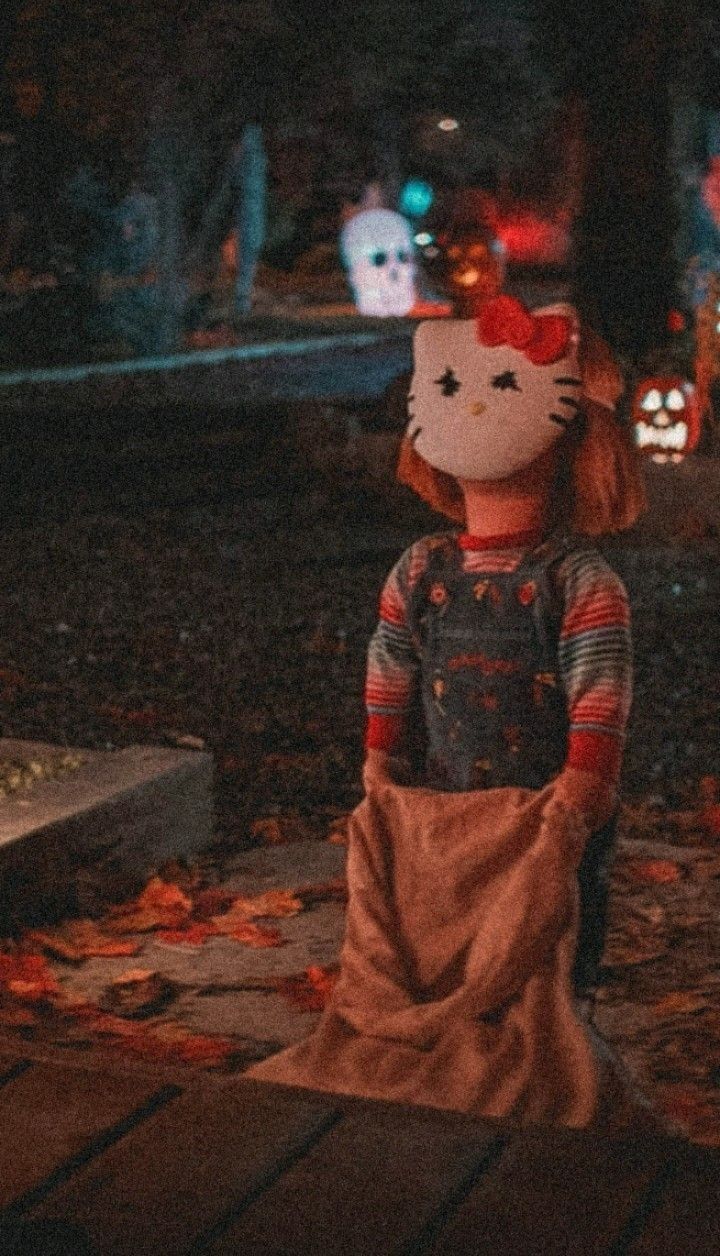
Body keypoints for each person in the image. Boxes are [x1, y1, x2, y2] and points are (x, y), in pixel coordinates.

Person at [363, 293, 647, 994]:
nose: (480, 412)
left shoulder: (579, 581)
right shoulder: (419, 569)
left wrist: (586, 785)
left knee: (551, 953)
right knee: (453, 939)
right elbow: (390, 662)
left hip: (551, 817)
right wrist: (381, 752)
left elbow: (599, 695)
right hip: (447, 809)